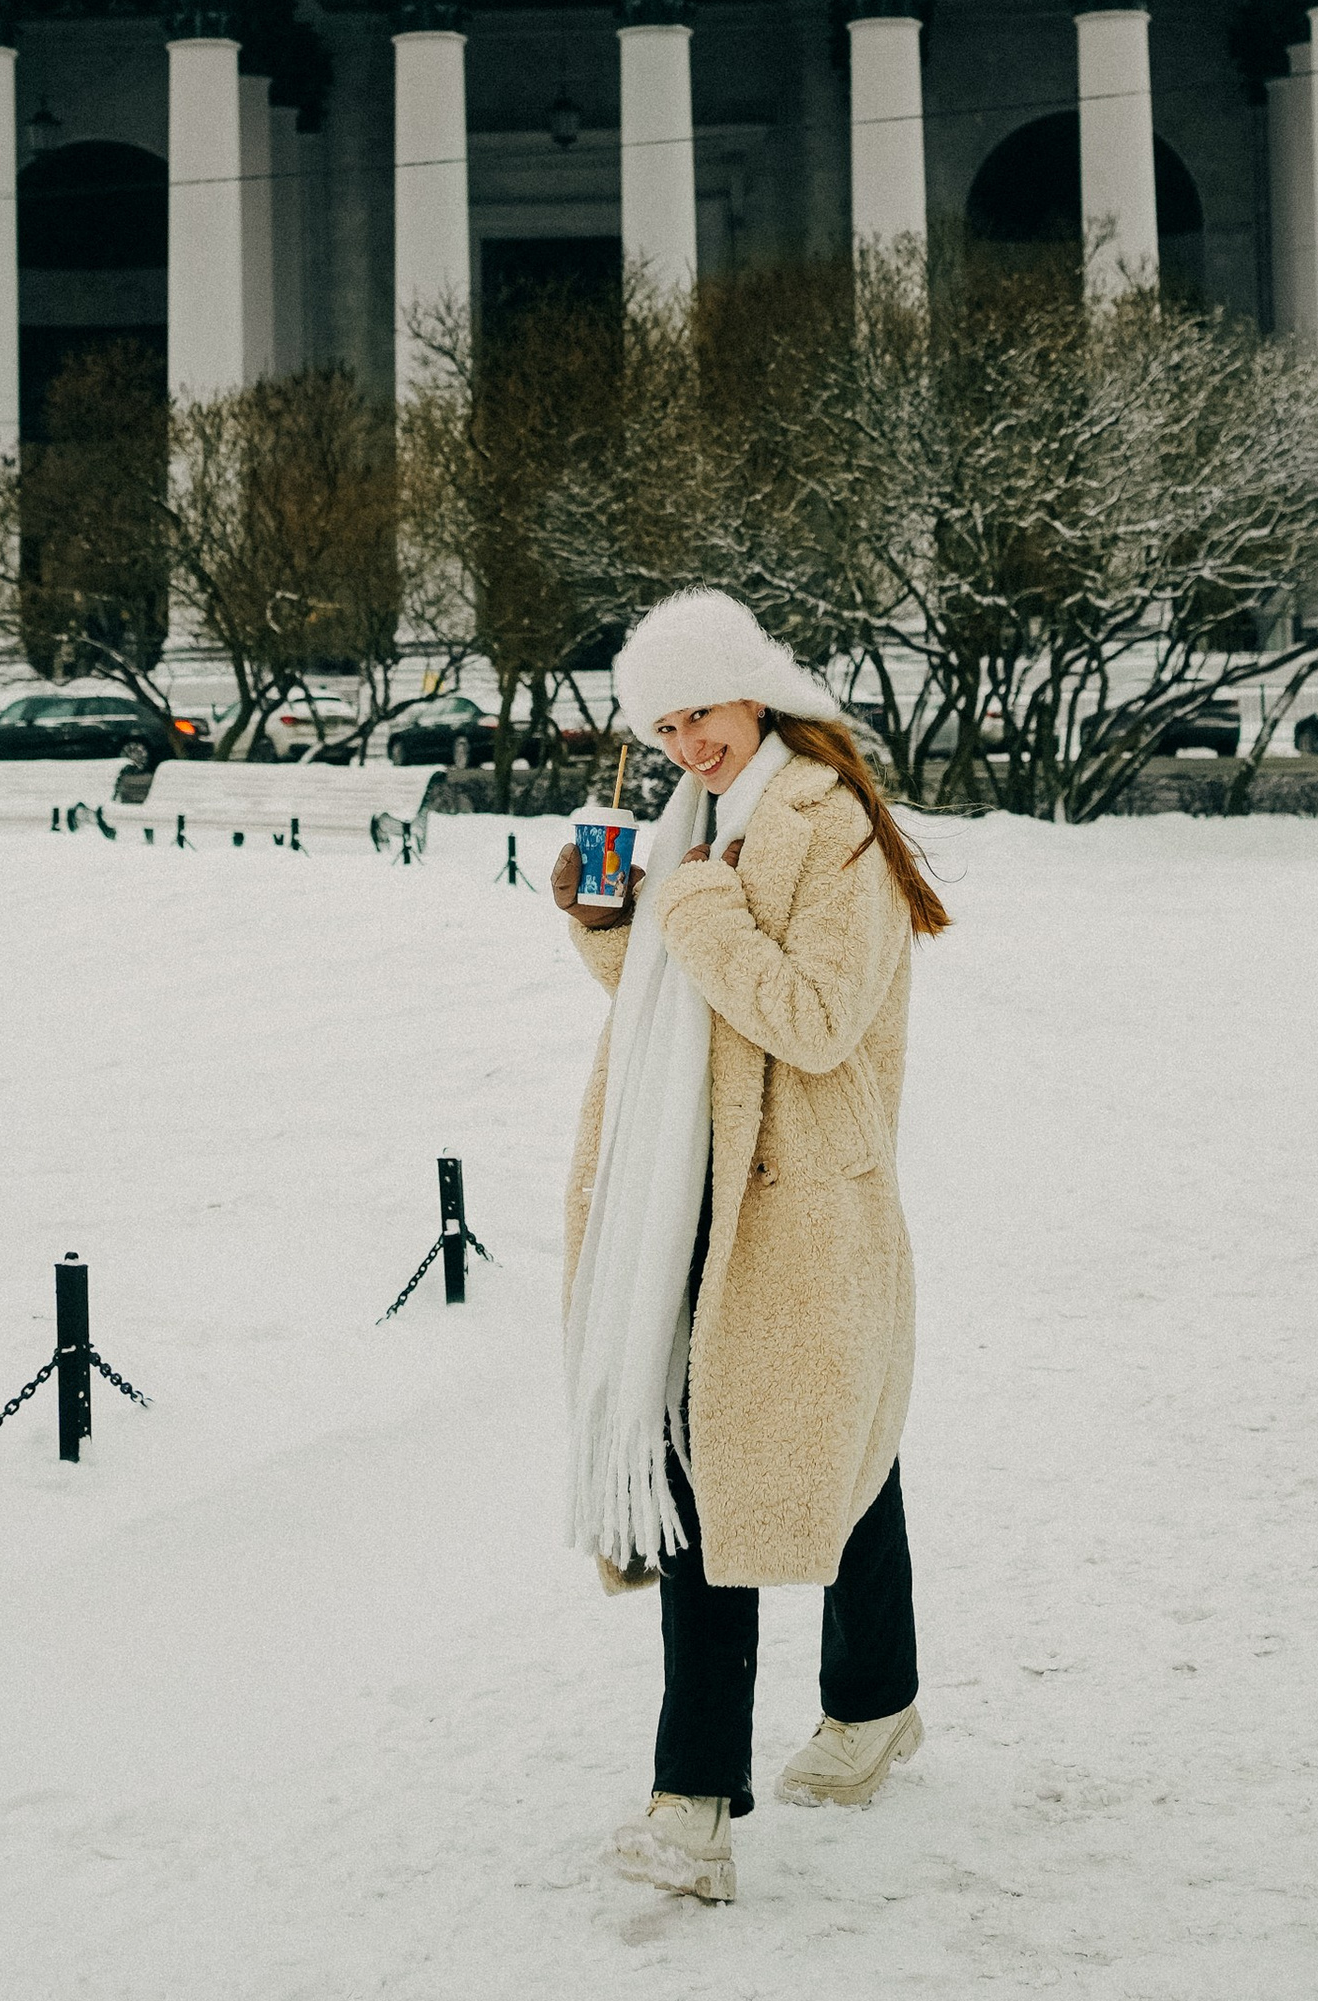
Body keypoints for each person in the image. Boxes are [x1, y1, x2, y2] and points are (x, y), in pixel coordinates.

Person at [553, 586, 951, 1906]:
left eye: (702, 712)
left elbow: (816, 1016)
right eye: (663, 724)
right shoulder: (695, 822)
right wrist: (614, 926)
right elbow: (685, 1010)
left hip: (796, 1206)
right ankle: (877, 1702)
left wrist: (697, 916)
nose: (686, 742)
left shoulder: (828, 827)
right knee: (825, 1451)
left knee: (728, 1471)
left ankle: (690, 1810)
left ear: (757, 693)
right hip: (693, 1191)